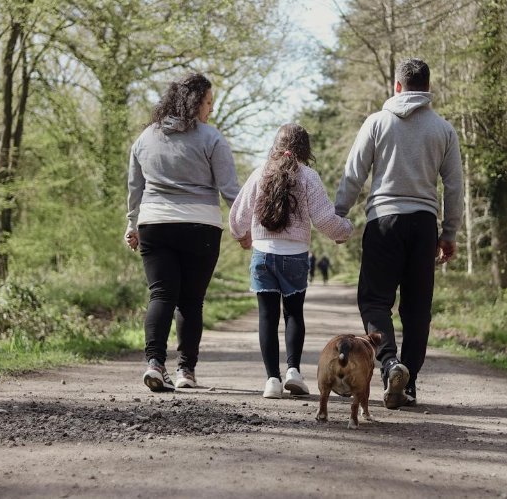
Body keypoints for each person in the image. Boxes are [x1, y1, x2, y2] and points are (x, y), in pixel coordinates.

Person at [334, 58, 463, 409]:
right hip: (423, 224)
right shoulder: (443, 129)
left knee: (375, 300)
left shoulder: (376, 122)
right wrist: (449, 232)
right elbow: (454, 187)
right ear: (427, 87)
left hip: (384, 222)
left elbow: (353, 173)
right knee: (417, 307)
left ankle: (390, 363)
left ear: (397, 86)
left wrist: (338, 216)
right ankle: (410, 383)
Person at [126, 73, 240, 392]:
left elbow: (135, 187)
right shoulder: (211, 138)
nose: (210, 110)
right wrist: (244, 227)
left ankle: (154, 364)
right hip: (200, 227)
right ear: (194, 102)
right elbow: (230, 190)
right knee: (191, 301)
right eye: (207, 102)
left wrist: (131, 223)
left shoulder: (145, 138)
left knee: (161, 294)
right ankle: (185, 371)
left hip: (154, 224)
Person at [230, 123, 353, 399]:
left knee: (267, 316)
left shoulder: (260, 173)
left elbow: (238, 214)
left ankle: (272, 380)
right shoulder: (308, 176)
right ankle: (293, 372)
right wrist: (344, 231)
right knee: (294, 313)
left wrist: (242, 235)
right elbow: (323, 218)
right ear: (304, 149)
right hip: (295, 256)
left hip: (263, 254)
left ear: (275, 145)